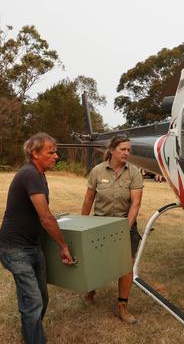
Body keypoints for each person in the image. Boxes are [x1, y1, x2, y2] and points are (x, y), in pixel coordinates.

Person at [0, 132, 75, 344]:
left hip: (32, 246)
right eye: (51, 152)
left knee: (41, 298)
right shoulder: (30, 174)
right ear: (34, 153)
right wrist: (63, 246)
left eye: (55, 151)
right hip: (15, 249)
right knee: (33, 300)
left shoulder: (39, 174)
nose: (56, 156)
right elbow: (46, 218)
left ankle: (29, 332)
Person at [81, 134, 143, 324]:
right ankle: (90, 290)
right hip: (99, 224)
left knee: (126, 267)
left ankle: (122, 306)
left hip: (125, 223)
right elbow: (88, 199)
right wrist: (83, 225)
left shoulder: (134, 172)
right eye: (123, 149)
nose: (127, 153)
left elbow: (136, 204)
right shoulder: (97, 171)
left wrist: (126, 228)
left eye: (129, 150)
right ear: (111, 150)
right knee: (96, 263)